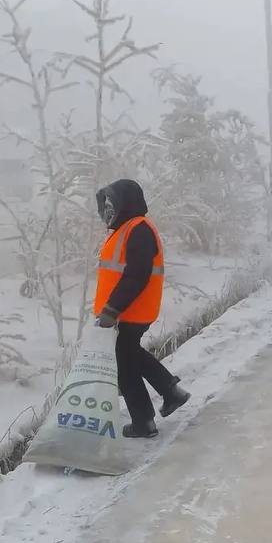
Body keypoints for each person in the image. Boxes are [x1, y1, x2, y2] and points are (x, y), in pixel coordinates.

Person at [93, 178, 190, 439]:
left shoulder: (139, 229)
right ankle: (169, 393)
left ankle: (145, 420)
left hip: (131, 310)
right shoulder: (128, 228)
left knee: (125, 363)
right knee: (130, 355)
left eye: (112, 203)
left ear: (126, 202)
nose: (108, 210)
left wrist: (112, 309)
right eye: (106, 205)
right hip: (128, 310)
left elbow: (136, 275)